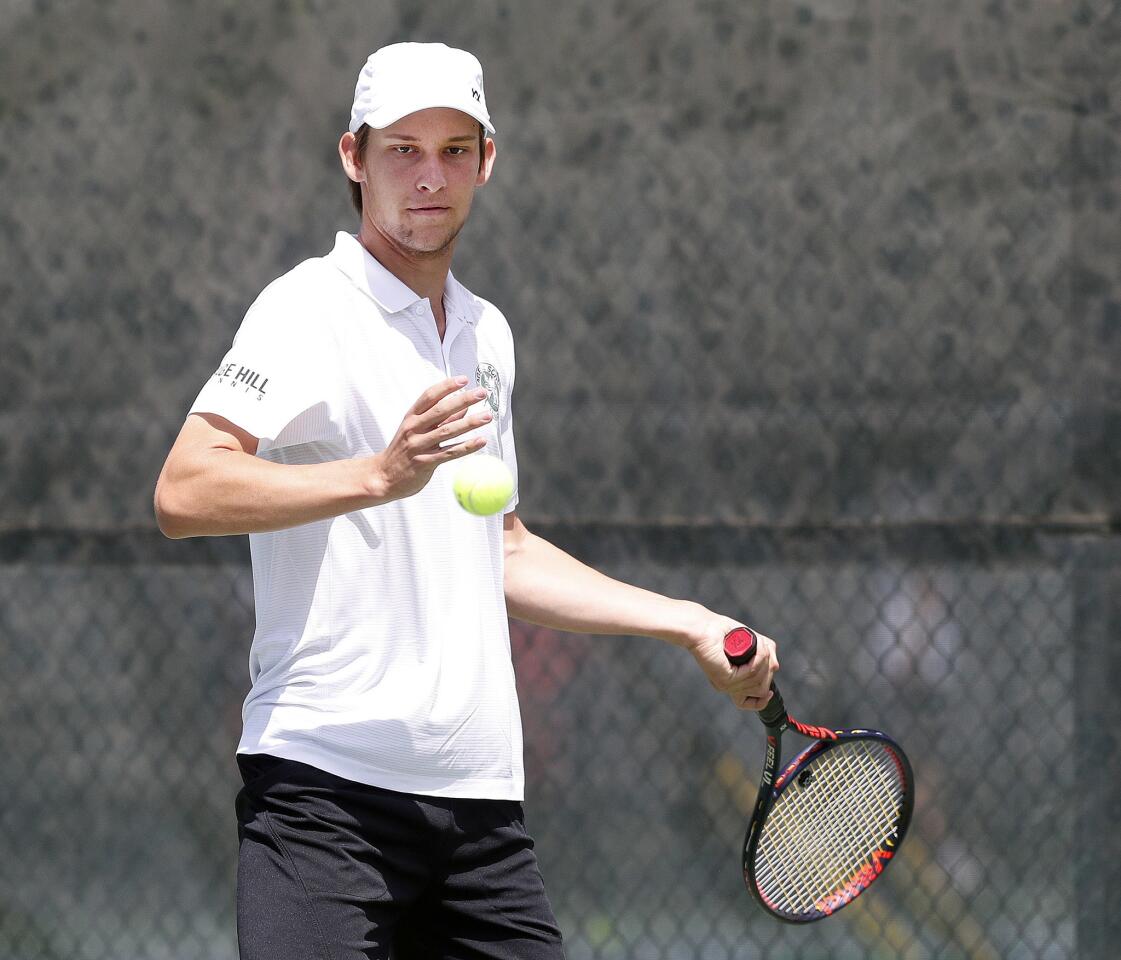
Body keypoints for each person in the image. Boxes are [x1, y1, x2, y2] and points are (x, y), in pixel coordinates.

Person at [154, 41, 779, 960]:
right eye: (401, 149)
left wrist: (687, 621)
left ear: (487, 160)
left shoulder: (487, 335)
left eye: (453, 149)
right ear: (352, 158)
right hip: (324, 796)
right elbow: (184, 487)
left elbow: (504, 550)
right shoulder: (305, 310)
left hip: (482, 815)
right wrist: (375, 474)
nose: (429, 176)